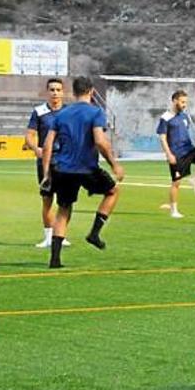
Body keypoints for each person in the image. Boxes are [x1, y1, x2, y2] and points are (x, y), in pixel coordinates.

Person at [41, 76, 124, 269]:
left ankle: (55, 259)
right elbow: (100, 141)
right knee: (113, 191)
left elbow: (47, 145)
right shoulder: (96, 112)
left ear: (73, 92)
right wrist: (114, 164)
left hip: (62, 169)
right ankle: (94, 233)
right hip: (86, 167)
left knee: (63, 210)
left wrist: (46, 173)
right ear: (92, 91)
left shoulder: (61, 114)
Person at [25, 77, 69, 248]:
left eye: (58, 90)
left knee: (65, 200)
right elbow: (29, 135)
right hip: (46, 162)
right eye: (52, 90)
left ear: (63, 92)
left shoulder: (68, 112)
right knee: (47, 199)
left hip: (65, 161)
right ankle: (48, 236)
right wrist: (36, 149)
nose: (55, 93)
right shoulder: (39, 112)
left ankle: (61, 235)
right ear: (47, 92)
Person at [156, 90, 195, 218]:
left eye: (186, 102)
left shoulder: (185, 116)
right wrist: (169, 154)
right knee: (176, 183)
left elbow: (186, 132)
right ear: (175, 101)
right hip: (177, 154)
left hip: (189, 149)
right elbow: (162, 138)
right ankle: (174, 211)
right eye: (182, 102)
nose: (184, 104)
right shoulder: (165, 118)